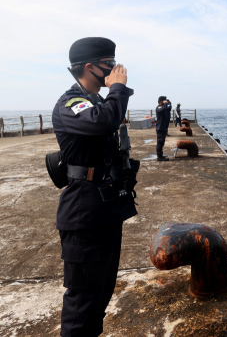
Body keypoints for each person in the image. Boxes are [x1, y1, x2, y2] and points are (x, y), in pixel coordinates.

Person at [52, 37, 138, 336]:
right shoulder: (71, 103)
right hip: (84, 215)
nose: (116, 70)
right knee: (82, 301)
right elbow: (104, 123)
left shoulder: (96, 102)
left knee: (100, 294)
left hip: (105, 209)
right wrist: (118, 89)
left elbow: (108, 120)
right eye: (110, 65)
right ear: (90, 67)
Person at [156, 96, 172, 161]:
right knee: (160, 142)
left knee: (162, 142)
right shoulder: (158, 108)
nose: (165, 102)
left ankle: (160, 155)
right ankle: (159, 157)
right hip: (160, 128)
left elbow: (168, 108)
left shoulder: (163, 107)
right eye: (164, 101)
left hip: (163, 127)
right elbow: (164, 108)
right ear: (161, 101)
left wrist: (169, 103)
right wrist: (165, 103)